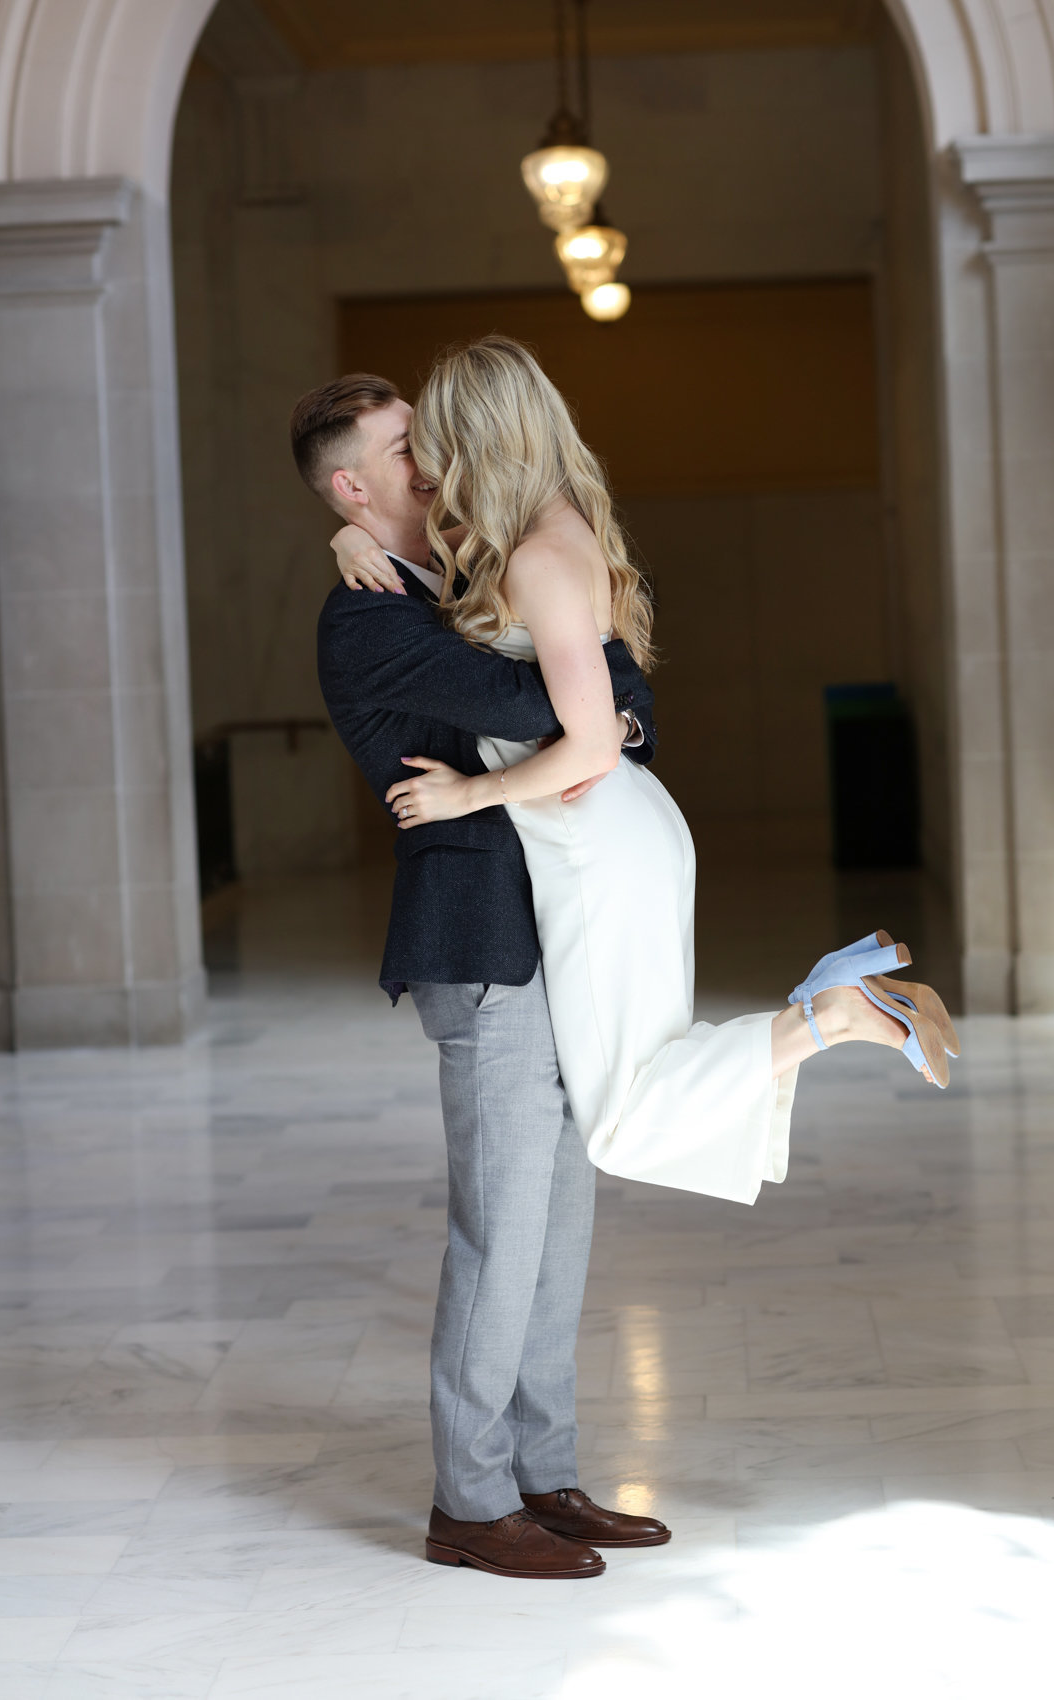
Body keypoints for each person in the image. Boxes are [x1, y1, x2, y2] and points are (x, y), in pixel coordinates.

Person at [329, 335, 957, 1213]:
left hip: (592, 845)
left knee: (621, 1120)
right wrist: (345, 534)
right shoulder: (547, 532)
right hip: (620, 831)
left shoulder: (535, 556)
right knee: (644, 1076)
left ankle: (834, 1014)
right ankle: (826, 1004)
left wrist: (464, 793)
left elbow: (587, 743)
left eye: (428, 440)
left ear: (471, 438)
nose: (425, 467)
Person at [293, 373, 672, 1583]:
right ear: (350, 484)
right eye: (405, 446)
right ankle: (468, 1497)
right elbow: (545, 696)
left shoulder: (454, 576)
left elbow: (625, 695)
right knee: (499, 1228)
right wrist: (590, 698)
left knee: (558, 1222)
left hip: (557, 934)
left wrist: (593, 698)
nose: (433, 455)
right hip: (479, 941)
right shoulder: (364, 617)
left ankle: (542, 1471)